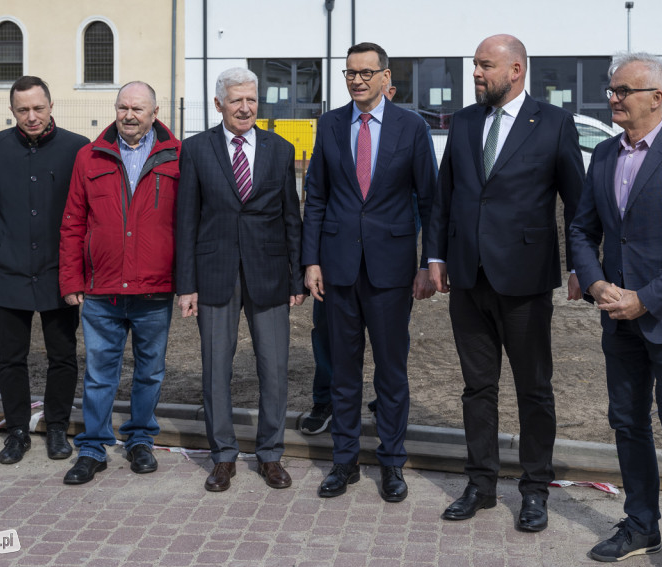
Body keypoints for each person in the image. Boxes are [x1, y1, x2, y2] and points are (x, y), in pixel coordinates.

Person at [570, 53, 662, 567]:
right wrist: (594, 283)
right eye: (611, 90)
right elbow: (582, 230)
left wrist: (645, 299)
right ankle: (640, 525)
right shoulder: (604, 156)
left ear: (656, 97)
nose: (612, 98)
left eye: (622, 90)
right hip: (617, 316)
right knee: (627, 424)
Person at [427, 34, 584, 530]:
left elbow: (577, 203)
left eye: (485, 66)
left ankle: (535, 489)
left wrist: (581, 266)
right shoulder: (467, 120)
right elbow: (443, 196)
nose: (476, 73)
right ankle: (481, 484)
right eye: (474, 65)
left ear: (516, 70)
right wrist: (435, 255)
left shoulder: (554, 123)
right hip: (468, 277)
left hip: (525, 280)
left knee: (534, 389)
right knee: (477, 388)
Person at [302, 42, 437, 502]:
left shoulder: (411, 126)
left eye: (365, 72)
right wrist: (311, 260)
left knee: (391, 372)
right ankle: (344, 462)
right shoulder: (330, 124)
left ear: (385, 77)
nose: (357, 80)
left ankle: (392, 463)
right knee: (343, 371)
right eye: (349, 73)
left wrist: (428, 263)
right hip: (338, 268)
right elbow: (316, 196)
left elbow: (429, 201)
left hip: (391, 271)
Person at [175, 67, 305, 492]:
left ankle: (270, 455)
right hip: (214, 275)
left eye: (251, 99)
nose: (246, 107)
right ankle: (223, 457)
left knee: (274, 367)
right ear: (219, 105)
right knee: (215, 369)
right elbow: (186, 220)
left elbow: (292, 219)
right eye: (236, 100)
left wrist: (297, 279)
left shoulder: (280, 150)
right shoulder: (195, 150)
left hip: (269, 274)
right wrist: (186, 285)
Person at [58, 81, 181, 485]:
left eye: (138, 109)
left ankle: (140, 439)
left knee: (150, 373)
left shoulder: (177, 157)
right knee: (99, 374)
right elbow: (74, 222)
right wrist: (72, 279)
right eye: (123, 107)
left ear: (155, 112)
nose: (129, 115)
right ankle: (93, 446)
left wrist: (186, 283)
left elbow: (188, 224)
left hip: (154, 290)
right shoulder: (88, 157)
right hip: (101, 290)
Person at [0, 75, 89, 465]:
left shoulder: (76, 148)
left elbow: (85, 214)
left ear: (51, 105)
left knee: (63, 355)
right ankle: (17, 430)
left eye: (38, 108)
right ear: (12, 111)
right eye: (23, 110)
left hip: (59, 270)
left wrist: (83, 267)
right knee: (11, 358)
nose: (32, 116)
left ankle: (56, 427)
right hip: (9, 267)